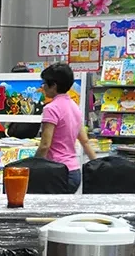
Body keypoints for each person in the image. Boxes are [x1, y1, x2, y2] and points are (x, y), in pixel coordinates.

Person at [36, 62, 97, 192]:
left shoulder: (51, 108)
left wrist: (33, 165)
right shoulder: (74, 107)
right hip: (74, 172)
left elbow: (45, 145)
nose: (43, 87)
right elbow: (85, 141)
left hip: (57, 172)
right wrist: (97, 165)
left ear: (54, 85)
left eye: (45, 83)